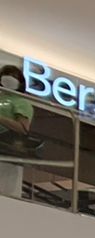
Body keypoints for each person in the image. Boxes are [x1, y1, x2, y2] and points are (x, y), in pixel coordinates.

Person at [0, 64, 34, 200]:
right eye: (5, 75)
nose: (8, 78)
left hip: (6, 148)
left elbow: (22, 128)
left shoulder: (21, 102)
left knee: (5, 191)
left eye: (13, 76)